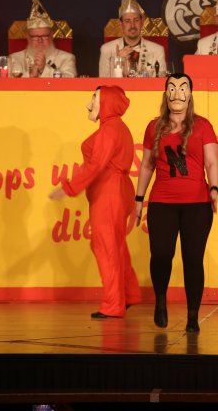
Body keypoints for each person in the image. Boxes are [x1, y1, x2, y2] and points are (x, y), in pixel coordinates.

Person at [134, 73, 218, 333]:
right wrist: (139, 199)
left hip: (197, 204)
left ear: (190, 94)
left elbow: (211, 162)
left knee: (193, 258)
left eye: (183, 88)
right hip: (162, 202)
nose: (177, 93)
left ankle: (193, 316)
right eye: (171, 88)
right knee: (161, 255)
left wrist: (214, 188)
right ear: (165, 94)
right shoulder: (154, 127)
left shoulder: (203, 126)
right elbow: (147, 165)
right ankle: (160, 300)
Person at [49, 85, 141, 318]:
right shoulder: (118, 128)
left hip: (109, 193)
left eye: (94, 99)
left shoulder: (109, 130)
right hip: (117, 191)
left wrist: (68, 188)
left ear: (106, 103)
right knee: (115, 246)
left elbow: (96, 165)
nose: (89, 105)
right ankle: (128, 294)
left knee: (106, 247)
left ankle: (113, 304)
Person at [99, 0, 166, 77]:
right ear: (121, 24)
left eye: (136, 20)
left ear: (142, 22)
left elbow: (162, 81)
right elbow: (103, 82)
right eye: (127, 21)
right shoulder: (107, 50)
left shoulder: (157, 50)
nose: (132, 25)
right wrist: (119, 62)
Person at [8, 0, 77, 78]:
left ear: (51, 35)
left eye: (44, 36)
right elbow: (5, 82)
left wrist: (44, 69)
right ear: (28, 37)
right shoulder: (13, 59)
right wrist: (30, 75)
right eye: (35, 36)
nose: (40, 40)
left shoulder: (67, 58)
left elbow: (71, 81)